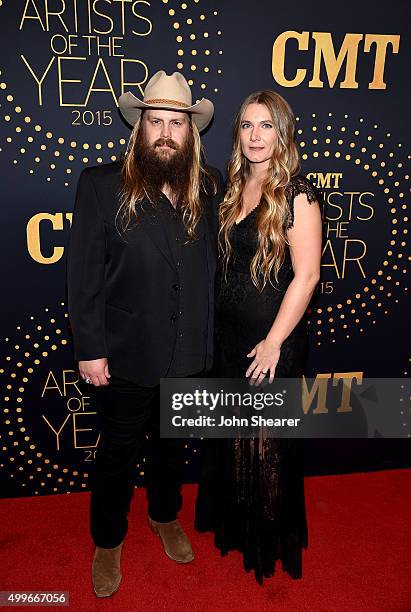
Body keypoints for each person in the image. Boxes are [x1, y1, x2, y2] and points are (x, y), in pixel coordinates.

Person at [66, 70, 223, 597]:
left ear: (190, 131)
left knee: (173, 448)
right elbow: (84, 274)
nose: (164, 132)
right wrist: (90, 348)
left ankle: (163, 515)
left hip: (190, 354)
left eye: (175, 123)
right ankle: (108, 540)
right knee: (118, 452)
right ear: (139, 127)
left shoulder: (211, 187)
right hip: (127, 353)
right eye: (154, 121)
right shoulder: (102, 184)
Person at [195, 90, 322, 583]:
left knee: (265, 446)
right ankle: (234, 522)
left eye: (266, 125)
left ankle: (265, 539)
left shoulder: (298, 193)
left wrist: (273, 343)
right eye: (247, 126)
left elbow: (306, 276)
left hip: (271, 337)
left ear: (283, 133)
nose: (255, 136)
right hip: (227, 336)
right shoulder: (231, 188)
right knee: (232, 437)